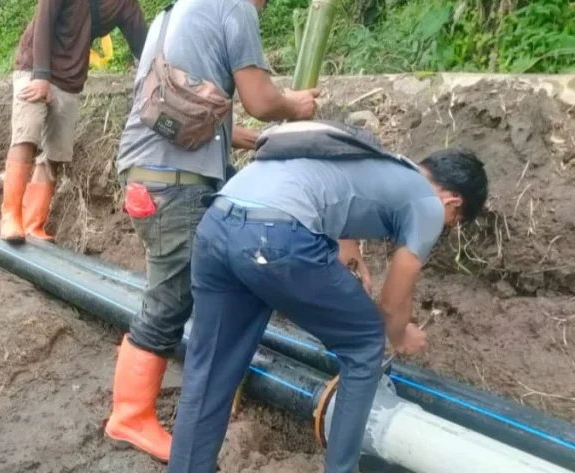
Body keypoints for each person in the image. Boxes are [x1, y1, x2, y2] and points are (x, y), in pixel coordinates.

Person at [106, 0, 320, 461]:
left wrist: (251, 140)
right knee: (172, 299)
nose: (256, 16)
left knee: (180, 292)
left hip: (149, 175)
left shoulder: (174, 11)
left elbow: (187, 112)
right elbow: (261, 100)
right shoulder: (236, 6)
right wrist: (295, 105)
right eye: (261, 7)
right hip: (174, 186)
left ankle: (169, 395)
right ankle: (129, 416)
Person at [167, 144, 488, 473]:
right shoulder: (429, 204)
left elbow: (332, 201)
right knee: (365, 341)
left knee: (212, 367)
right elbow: (391, 305)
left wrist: (350, 250)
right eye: (453, 222)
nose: (445, 225)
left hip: (218, 223)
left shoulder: (385, 164)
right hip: (273, 235)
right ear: (453, 201)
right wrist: (400, 334)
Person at [0, 0, 148, 244]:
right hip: (34, 67)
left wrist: (164, 73)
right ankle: (10, 216)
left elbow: (143, 43)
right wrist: (41, 77)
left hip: (69, 80)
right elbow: (43, 22)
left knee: (54, 154)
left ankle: (33, 222)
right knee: (26, 137)